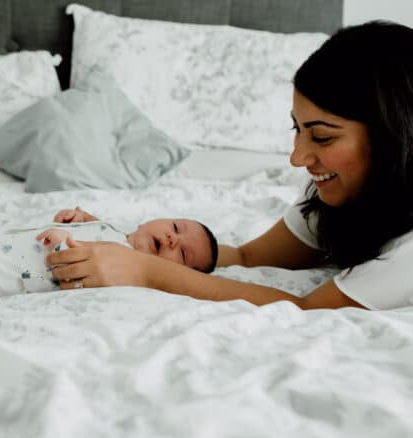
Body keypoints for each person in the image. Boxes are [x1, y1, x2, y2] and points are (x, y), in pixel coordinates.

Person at [46, 21, 413, 311]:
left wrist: (145, 272)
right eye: (296, 129)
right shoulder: (338, 189)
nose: (297, 158)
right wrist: (121, 241)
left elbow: (307, 308)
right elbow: (246, 257)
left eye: (321, 138)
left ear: (394, 138)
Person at [0, 207, 218, 304]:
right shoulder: (118, 234)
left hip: (8, 275)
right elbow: (104, 232)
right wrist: (85, 220)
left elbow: (81, 275)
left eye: (184, 254)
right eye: (176, 226)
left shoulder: (124, 266)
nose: (172, 238)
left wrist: (66, 242)